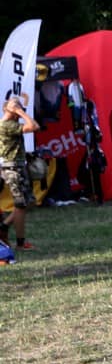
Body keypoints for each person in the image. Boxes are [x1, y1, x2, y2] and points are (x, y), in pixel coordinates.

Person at [0, 96, 41, 250]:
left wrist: (17, 110)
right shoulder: (6, 125)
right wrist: (20, 112)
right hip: (12, 168)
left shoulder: (10, 124)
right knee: (21, 203)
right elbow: (34, 126)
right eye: (17, 108)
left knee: (28, 202)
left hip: (17, 165)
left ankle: (4, 226)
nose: (20, 110)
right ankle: (20, 243)